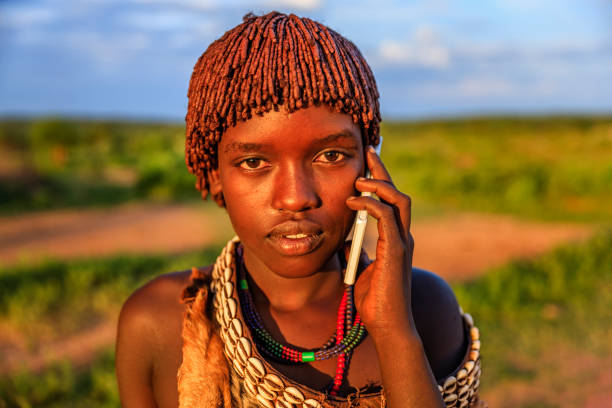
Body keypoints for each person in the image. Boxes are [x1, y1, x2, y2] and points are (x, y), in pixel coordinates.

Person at [116, 11, 484, 408]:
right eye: (254, 162)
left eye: (330, 155)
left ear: (369, 164)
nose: (295, 198)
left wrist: (394, 332)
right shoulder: (158, 322)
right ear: (215, 173)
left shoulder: (423, 306)